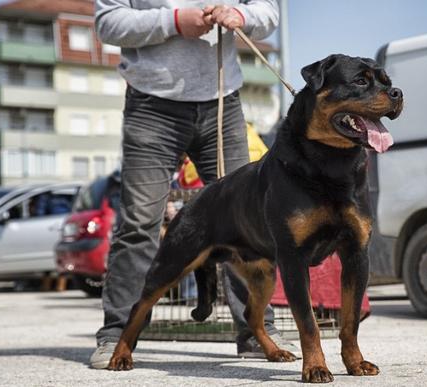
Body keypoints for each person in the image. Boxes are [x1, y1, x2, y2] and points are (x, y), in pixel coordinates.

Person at [90, 0, 299, 369]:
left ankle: (255, 334)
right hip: (151, 106)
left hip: (223, 100)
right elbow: (108, 23)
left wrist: (242, 16)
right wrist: (173, 21)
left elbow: (267, 11)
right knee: (139, 224)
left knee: (250, 223)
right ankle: (117, 336)